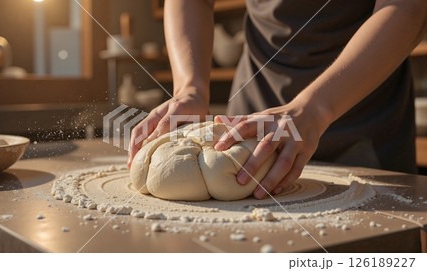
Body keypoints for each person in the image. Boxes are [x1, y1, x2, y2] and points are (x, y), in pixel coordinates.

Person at [128, 0, 427, 199]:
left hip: (362, 116)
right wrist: (190, 87)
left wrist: (316, 108)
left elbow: (408, 8)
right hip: (250, 119)